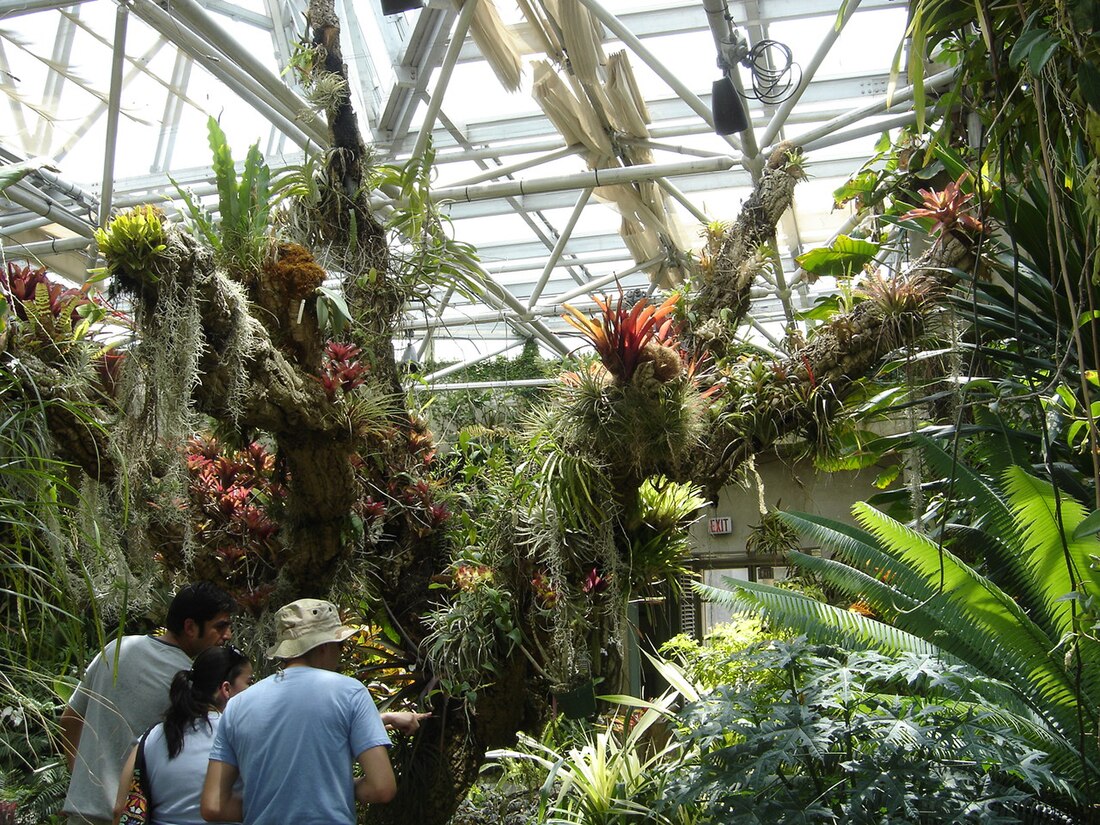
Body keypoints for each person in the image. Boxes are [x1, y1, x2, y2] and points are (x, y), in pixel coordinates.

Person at [201, 599, 429, 825]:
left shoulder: (238, 705)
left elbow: (213, 806)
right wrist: (330, 789)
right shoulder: (350, 692)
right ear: (323, 646)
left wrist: (270, 804)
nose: (340, 655)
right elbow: (382, 788)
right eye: (339, 645)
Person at [62, 583, 237, 825]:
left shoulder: (116, 649)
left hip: (83, 811)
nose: (227, 635)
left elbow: (70, 719)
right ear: (190, 627)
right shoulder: (188, 681)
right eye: (220, 626)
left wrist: (80, 780)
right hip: (132, 815)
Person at [113, 646, 252, 825]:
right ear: (227, 689)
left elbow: (119, 810)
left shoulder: (152, 737)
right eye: (250, 682)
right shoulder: (241, 734)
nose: (253, 690)